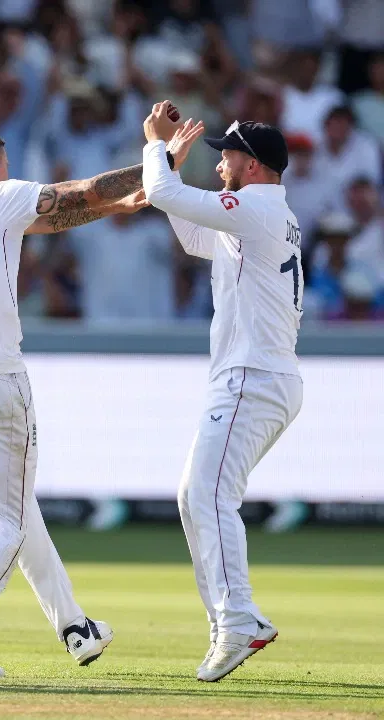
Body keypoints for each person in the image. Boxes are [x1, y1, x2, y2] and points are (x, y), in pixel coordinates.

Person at [0, 124, 148, 678]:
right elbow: (82, 191)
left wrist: (110, 209)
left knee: (14, 511)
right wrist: (157, 163)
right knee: (6, 524)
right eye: (7, 164)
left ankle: (75, 627)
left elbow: (49, 218)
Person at [142, 104, 302, 682]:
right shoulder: (263, 213)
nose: (220, 164)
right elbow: (192, 237)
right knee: (196, 497)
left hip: (253, 377)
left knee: (208, 496)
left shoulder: (256, 208)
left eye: (227, 156)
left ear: (253, 165)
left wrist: (157, 147)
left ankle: (238, 621)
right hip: (256, 377)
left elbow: (159, 192)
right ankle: (231, 620)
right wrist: (170, 171)